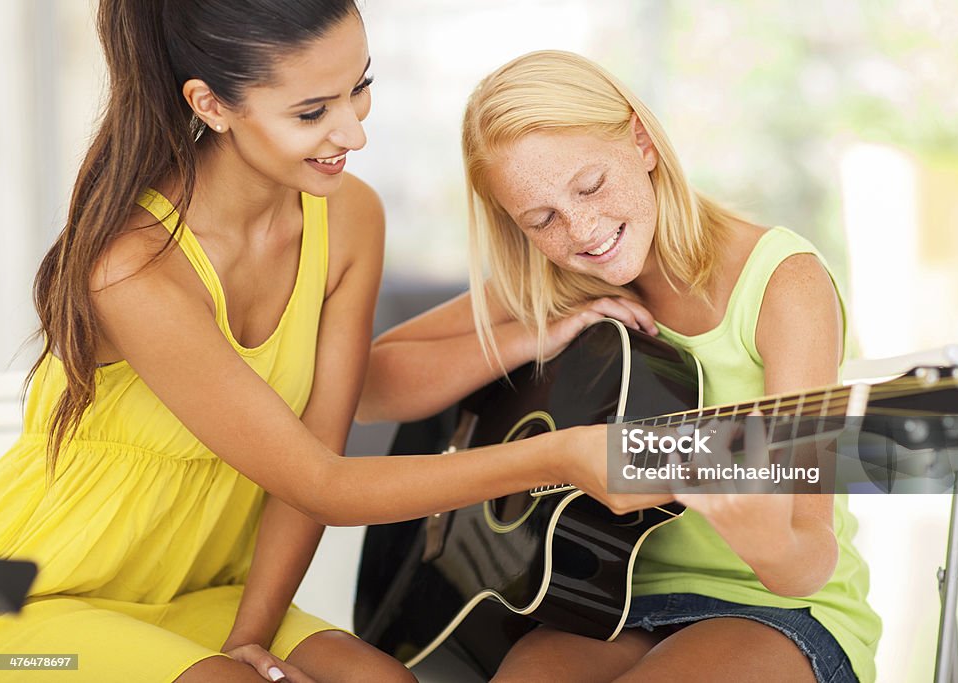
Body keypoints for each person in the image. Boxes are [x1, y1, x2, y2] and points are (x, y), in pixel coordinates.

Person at [0, 6, 664, 682]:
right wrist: (560, 457)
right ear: (211, 105)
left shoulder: (348, 217)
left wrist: (250, 637)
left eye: (359, 87)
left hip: (205, 592)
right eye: (312, 111)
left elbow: (320, 452)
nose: (354, 132)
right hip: (31, 599)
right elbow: (324, 482)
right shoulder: (134, 268)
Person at [359, 50, 881, 683]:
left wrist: (753, 525)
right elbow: (368, 387)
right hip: (613, 603)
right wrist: (536, 335)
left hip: (780, 608)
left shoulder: (783, 283)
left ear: (642, 142)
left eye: (590, 186)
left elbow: (808, 560)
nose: (583, 229)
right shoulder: (554, 277)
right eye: (542, 218)